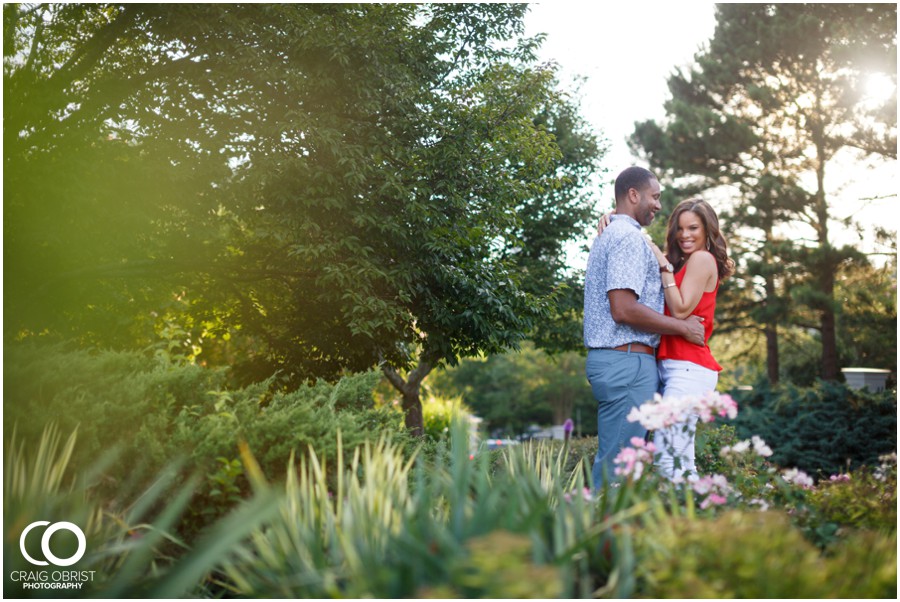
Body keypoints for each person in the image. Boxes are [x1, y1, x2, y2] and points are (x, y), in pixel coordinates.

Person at [583, 167, 705, 490]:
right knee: (616, 475)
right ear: (633, 195)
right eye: (654, 196)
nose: (658, 205)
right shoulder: (625, 238)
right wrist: (681, 328)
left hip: (622, 363)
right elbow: (623, 309)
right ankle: (601, 536)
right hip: (627, 362)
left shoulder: (618, 233)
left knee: (622, 467)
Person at [597, 196, 735, 481]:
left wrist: (663, 264)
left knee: (668, 455)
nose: (685, 235)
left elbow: (682, 308)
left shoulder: (701, 259)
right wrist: (611, 216)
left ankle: (694, 516)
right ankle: (693, 516)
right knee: (678, 456)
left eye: (693, 228)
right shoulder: (685, 262)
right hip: (675, 366)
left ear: (708, 231)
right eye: (680, 229)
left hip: (690, 367)